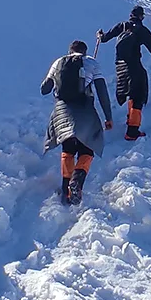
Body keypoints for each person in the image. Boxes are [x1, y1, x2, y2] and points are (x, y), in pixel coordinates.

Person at [40, 40, 113, 205]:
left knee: (68, 148)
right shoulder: (91, 62)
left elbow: (44, 89)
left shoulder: (58, 62)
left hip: (61, 111)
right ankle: (77, 182)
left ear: (70, 51)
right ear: (84, 52)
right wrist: (108, 116)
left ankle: (66, 190)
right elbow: (102, 91)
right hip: (84, 109)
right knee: (88, 147)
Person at [98, 5, 151, 141]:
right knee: (138, 95)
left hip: (120, 67)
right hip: (134, 66)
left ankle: (130, 120)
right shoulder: (142, 30)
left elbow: (104, 38)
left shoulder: (122, 26)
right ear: (141, 17)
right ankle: (132, 131)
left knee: (130, 91)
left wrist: (100, 35)